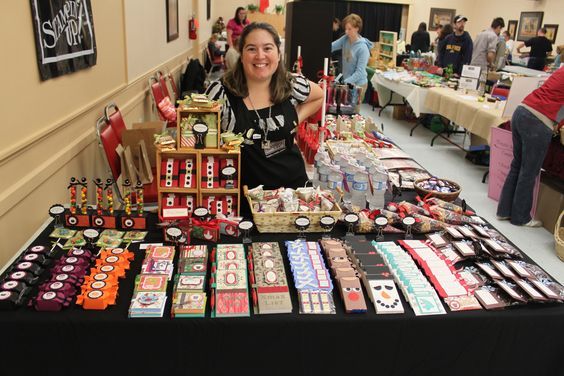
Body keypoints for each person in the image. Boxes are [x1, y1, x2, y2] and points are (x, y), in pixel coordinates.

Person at [205, 22, 324, 194]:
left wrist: (295, 120)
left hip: (293, 192)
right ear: (241, 54)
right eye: (252, 49)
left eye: (268, 48)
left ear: (278, 53)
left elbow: (319, 96)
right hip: (245, 197)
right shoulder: (221, 92)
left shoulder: (291, 84)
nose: (260, 56)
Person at [497, 67, 564, 227]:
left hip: (521, 111)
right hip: (538, 121)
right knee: (529, 171)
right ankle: (521, 217)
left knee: (517, 164)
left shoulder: (561, 70)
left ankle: (504, 211)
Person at [331, 13, 372, 107]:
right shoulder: (345, 39)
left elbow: (360, 72)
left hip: (358, 85)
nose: (346, 32)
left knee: (352, 113)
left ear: (357, 28)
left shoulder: (363, 48)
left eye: (349, 29)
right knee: (344, 110)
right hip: (348, 83)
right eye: (345, 28)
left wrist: (345, 83)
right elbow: (332, 46)